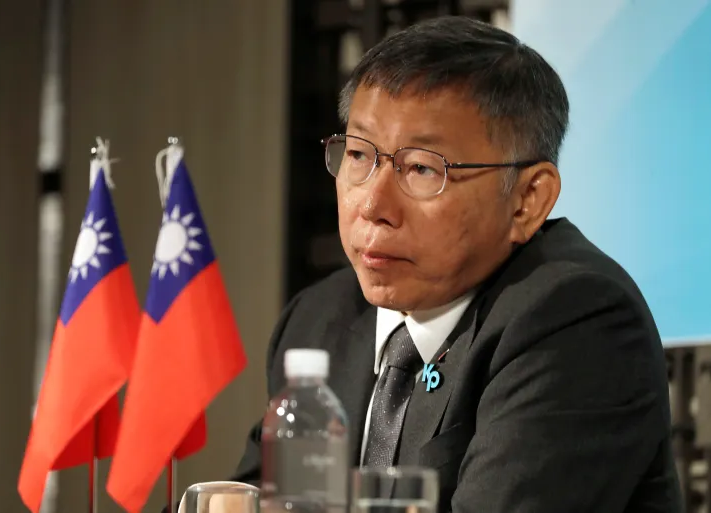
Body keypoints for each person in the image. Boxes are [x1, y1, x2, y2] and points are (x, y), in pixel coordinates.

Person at [224, 15, 681, 513]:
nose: (373, 203)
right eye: (358, 155)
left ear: (529, 199)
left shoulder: (577, 320)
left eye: (421, 168)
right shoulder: (320, 318)